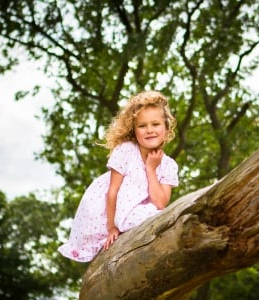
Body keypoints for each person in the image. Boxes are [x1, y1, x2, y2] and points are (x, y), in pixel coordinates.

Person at [58, 90, 179, 262]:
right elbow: (112, 191)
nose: (149, 130)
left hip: (140, 211)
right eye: (142, 126)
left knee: (161, 218)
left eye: (155, 124)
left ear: (166, 129)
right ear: (134, 130)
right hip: (109, 212)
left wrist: (151, 169)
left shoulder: (169, 165)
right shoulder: (126, 150)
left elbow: (160, 203)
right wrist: (112, 227)